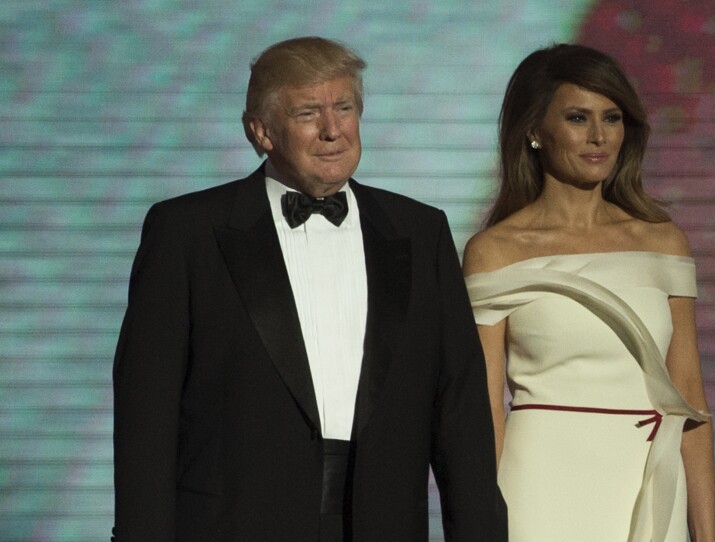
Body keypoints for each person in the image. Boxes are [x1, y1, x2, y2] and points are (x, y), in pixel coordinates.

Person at [112, 36, 507, 542]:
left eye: (343, 108)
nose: (332, 131)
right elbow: (148, 412)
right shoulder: (186, 232)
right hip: (232, 524)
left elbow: (459, 412)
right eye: (307, 114)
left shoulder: (421, 231)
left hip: (382, 522)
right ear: (260, 132)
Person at [462, 43, 715, 541]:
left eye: (612, 117)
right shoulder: (496, 251)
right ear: (535, 130)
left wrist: (706, 536)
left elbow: (690, 398)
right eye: (578, 117)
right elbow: (484, 411)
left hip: (649, 477)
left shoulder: (663, 242)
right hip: (540, 484)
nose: (599, 136)